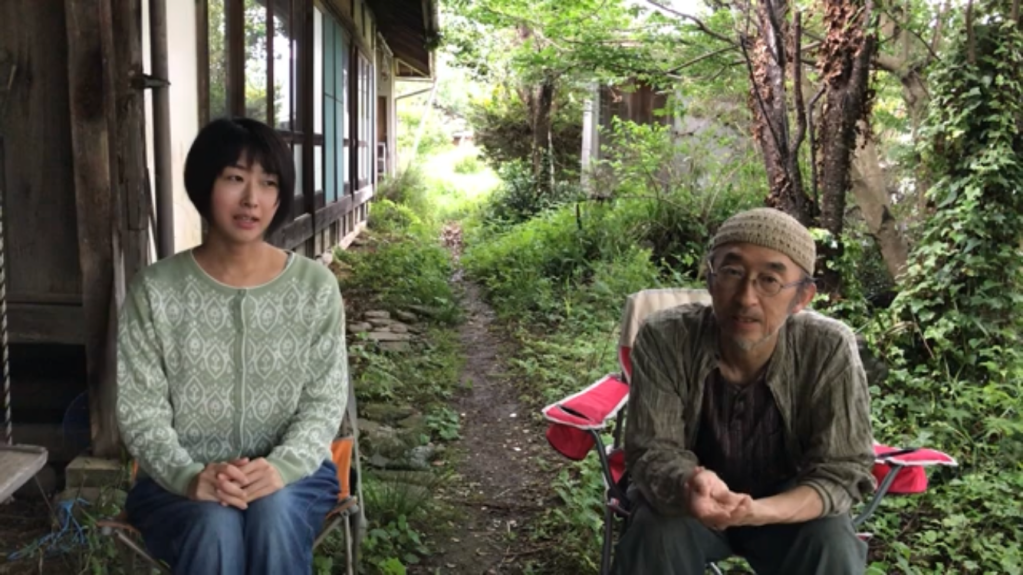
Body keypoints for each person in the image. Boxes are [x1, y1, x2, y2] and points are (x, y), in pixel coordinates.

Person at [116, 117, 349, 575]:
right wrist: (188, 477)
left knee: (274, 511)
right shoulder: (155, 291)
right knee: (214, 522)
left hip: (296, 475)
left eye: (268, 183)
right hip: (175, 480)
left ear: (280, 196)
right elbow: (140, 410)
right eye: (235, 178)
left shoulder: (315, 287)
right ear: (205, 184)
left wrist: (280, 468)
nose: (251, 199)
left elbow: (324, 401)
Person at [612, 208, 875, 575]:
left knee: (830, 541)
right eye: (732, 272)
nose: (746, 298)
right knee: (656, 534)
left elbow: (843, 468)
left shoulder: (827, 347)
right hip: (689, 507)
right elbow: (652, 451)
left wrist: (759, 511)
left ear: (802, 296)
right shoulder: (666, 337)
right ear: (710, 278)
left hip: (789, 506)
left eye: (770, 280)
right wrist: (690, 482)